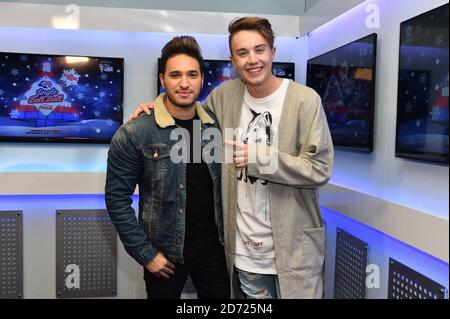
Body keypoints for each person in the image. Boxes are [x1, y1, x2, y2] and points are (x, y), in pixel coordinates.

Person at [130, 17, 334, 299]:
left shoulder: (305, 101)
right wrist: (155, 108)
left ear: (273, 52)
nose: (252, 60)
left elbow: (320, 168)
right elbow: (188, 110)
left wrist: (260, 159)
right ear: (233, 60)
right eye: (242, 53)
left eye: (259, 49)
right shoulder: (225, 97)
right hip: (246, 256)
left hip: (295, 251)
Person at [105, 35, 230, 299]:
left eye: (192, 74)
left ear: (201, 79)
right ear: (162, 79)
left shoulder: (215, 126)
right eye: (175, 75)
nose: (184, 83)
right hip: (165, 255)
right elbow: (117, 199)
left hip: (214, 251)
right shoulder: (135, 133)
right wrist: (146, 254)